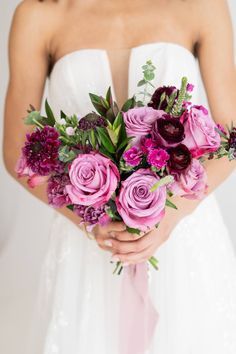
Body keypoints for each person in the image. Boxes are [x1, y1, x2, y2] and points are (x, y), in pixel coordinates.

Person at [3, 0, 236, 353]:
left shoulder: (202, 6)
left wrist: (169, 217)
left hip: (184, 235)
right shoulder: (38, 14)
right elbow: (17, 151)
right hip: (89, 245)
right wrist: (89, 220)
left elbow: (231, 138)